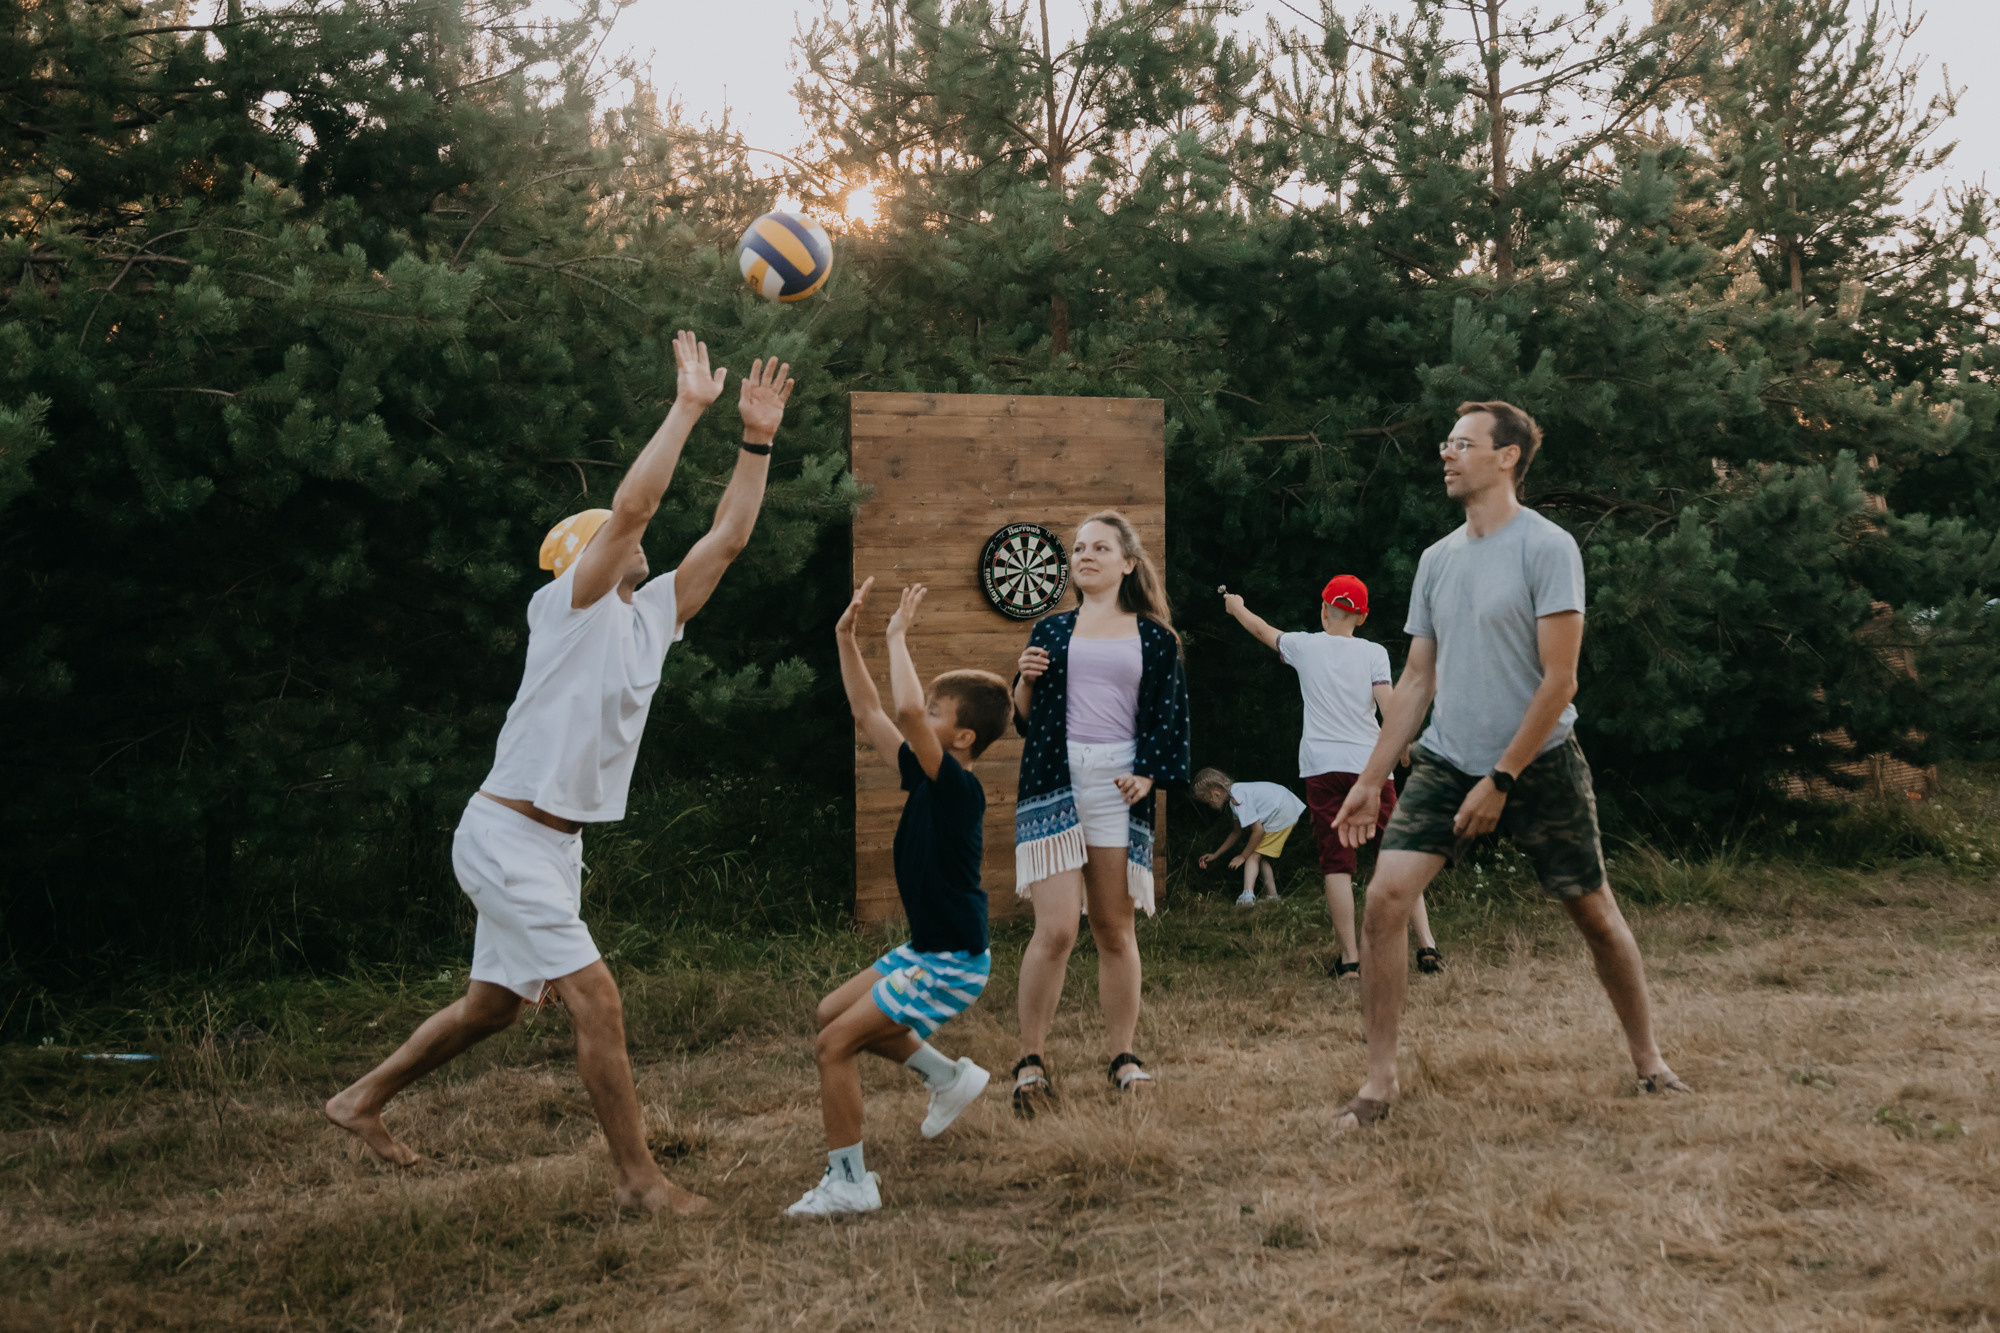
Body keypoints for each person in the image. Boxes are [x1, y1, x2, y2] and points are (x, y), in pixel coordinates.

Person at [325, 332, 795, 1214]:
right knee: (597, 1000)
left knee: (492, 1008)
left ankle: (359, 1100)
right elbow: (636, 505)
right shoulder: (567, 607)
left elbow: (727, 538)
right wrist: (687, 408)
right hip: (504, 832)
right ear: (587, 556)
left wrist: (755, 440)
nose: (633, 543)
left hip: (554, 846)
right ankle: (639, 1181)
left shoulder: (653, 616)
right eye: (613, 540)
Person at [1329, 401, 1690, 1134]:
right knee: (1383, 900)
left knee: (1592, 912)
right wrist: (1371, 777)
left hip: (1539, 760)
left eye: (1462, 443)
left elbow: (1560, 681)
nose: (1446, 454)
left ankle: (1648, 1058)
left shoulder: (1547, 548)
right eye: (1445, 442)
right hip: (1448, 758)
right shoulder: (1437, 559)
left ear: (1507, 457)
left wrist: (1503, 778)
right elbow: (1418, 682)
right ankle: (1379, 1081)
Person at [787, 580, 1012, 1217]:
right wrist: (846, 640)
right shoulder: (925, 775)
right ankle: (947, 1076)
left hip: (951, 960)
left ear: (962, 738)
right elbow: (873, 715)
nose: (922, 721)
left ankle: (849, 1182)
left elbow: (909, 713)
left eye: (939, 717)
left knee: (834, 1048)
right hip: (928, 946)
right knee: (833, 1015)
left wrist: (897, 637)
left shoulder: (957, 789)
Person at [1009, 511, 1191, 1114]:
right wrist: (1024, 682)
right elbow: (1027, 720)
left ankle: (1123, 1056)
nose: (1085, 555)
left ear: (1127, 563)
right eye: (1079, 547)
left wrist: (1148, 774)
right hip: (1055, 781)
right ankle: (1030, 1062)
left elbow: (1169, 716)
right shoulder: (1051, 630)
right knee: (1057, 929)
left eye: (1100, 547)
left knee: (1114, 929)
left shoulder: (1156, 637)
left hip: (1119, 786)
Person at [1221, 579, 1442, 978]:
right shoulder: (1374, 652)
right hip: (1372, 768)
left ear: (1323, 609)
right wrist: (1404, 749)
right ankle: (1427, 947)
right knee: (1396, 857)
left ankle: (1351, 961)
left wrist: (1236, 606)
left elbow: (1260, 629)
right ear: (1362, 616)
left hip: (1323, 769)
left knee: (1337, 866)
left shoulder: (1305, 646)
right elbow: (1388, 706)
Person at [1190, 769, 1305, 906]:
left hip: (1282, 812)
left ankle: (1247, 897)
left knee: (1252, 856)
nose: (1210, 805)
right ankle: (1273, 898)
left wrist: (1243, 856)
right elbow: (1236, 832)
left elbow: (1258, 832)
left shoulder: (1238, 799)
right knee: (1259, 857)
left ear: (1215, 794)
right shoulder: (1236, 796)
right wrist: (1215, 855)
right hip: (1284, 807)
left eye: (1208, 801)